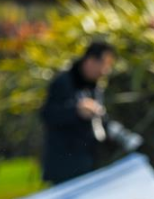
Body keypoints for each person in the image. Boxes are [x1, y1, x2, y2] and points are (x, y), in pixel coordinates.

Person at [40, 42, 116, 185]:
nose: (106, 71)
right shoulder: (64, 82)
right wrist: (76, 111)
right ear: (90, 61)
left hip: (88, 162)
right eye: (104, 65)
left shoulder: (94, 85)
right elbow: (48, 115)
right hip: (65, 166)